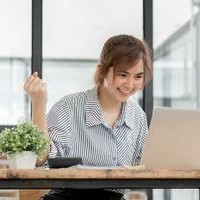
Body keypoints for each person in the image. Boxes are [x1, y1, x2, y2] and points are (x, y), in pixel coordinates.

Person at [23, 34, 152, 200]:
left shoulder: (138, 117)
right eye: (123, 75)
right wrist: (39, 104)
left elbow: (144, 167)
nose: (130, 84)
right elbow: (40, 159)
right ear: (102, 71)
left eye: (138, 77)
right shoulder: (69, 107)